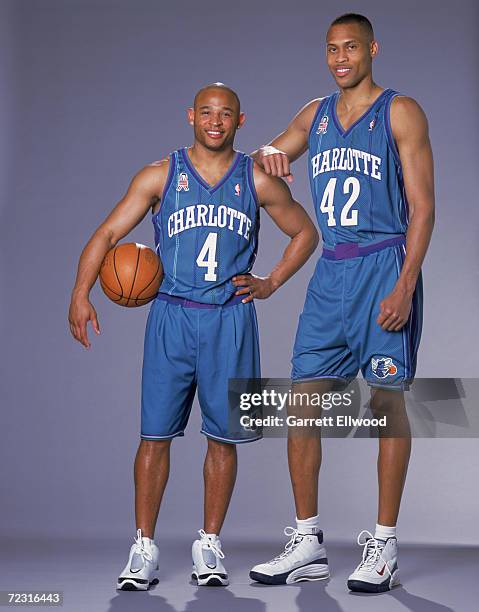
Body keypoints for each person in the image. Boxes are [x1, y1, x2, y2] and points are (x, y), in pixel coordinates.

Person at [68, 83, 318, 590]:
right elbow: (107, 234)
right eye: (206, 112)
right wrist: (81, 291)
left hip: (230, 318)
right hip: (172, 318)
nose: (215, 121)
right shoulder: (161, 174)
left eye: (225, 114)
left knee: (222, 440)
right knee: (153, 436)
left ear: (240, 121)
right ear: (191, 116)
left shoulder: (255, 178)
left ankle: (209, 544)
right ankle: (144, 548)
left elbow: (305, 232)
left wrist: (269, 282)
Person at [249, 13, 435, 593]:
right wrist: (267, 154)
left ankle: (384, 543)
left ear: (372, 48)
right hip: (331, 273)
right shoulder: (316, 113)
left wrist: (405, 283)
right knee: (301, 403)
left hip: (384, 264)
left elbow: (424, 207)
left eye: (351, 47)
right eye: (332, 50)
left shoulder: (400, 111)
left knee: (386, 403)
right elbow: (263, 159)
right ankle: (307, 541)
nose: (340, 59)